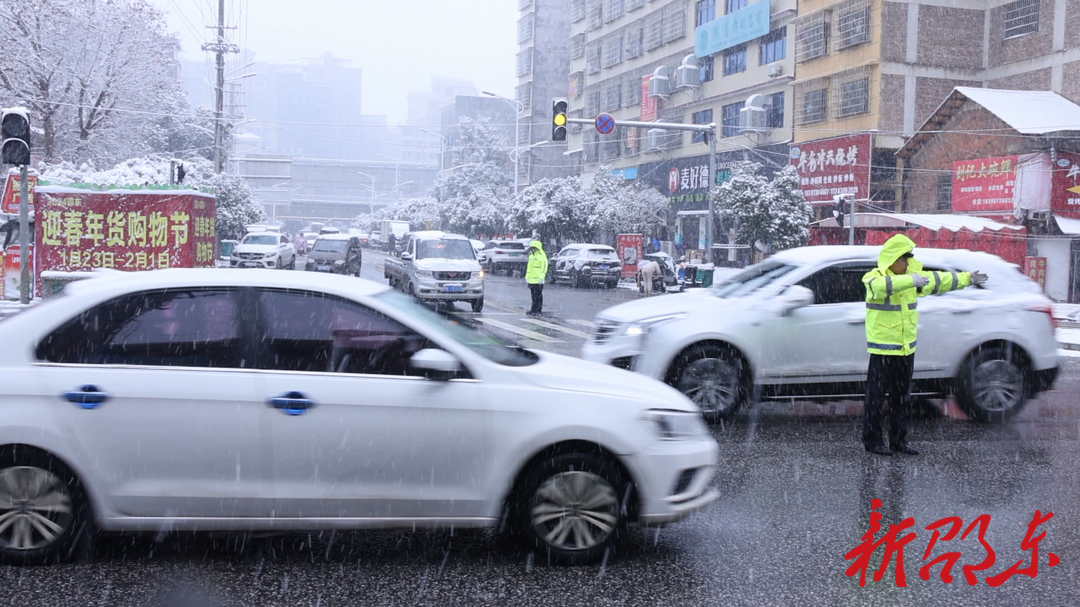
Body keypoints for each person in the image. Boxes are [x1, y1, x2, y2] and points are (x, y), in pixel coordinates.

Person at [861, 234, 987, 457]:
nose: (908, 263)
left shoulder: (911, 279)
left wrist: (967, 278)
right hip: (882, 350)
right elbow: (881, 287)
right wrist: (911, 280)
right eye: (904, 258)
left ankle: (898, 441)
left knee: (902, 399)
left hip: (905, 350)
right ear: (892, 259)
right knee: (876, 399)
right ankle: (873, 442)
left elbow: (940, 280)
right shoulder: (874, 277)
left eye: (909, 258)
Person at [525, 239, 548, 316]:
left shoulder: (542, 256)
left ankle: (538, 310)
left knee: (538, 296)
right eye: (532, 248)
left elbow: (544, 268)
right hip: (531, 280)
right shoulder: (531, 256)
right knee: (533, 296)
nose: (533, 249)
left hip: (538, 281)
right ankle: (533, 309)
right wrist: (527, 277)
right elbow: (529, 268)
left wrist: (541, 277)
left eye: (534, 248)